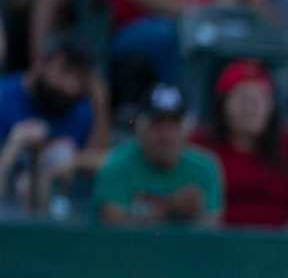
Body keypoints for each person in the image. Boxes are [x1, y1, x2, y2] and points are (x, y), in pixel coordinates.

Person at [191, 59, 288, 233]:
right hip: (218, 249)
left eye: (261, 98)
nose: (252, 107)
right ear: (223, 104)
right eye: (244, 98)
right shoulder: (201, 144)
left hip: (282, 251)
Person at [0, 35, 106, 212]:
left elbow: (103, 161)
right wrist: (14, 146)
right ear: (41, 63)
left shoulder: (80, 111)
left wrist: (101, 103)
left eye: (80, 77)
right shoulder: (3, 97)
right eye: (65, 71)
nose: (70, 85)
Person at [94, 83, 222, 227]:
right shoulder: (118, 164)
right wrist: (170, 206)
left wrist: (199, 212)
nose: (165, 135)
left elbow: (211, 233)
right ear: (140, 128)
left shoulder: (205, 167)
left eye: (174, 125)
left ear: (187, 129)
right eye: (157, 124)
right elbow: (113, 231)